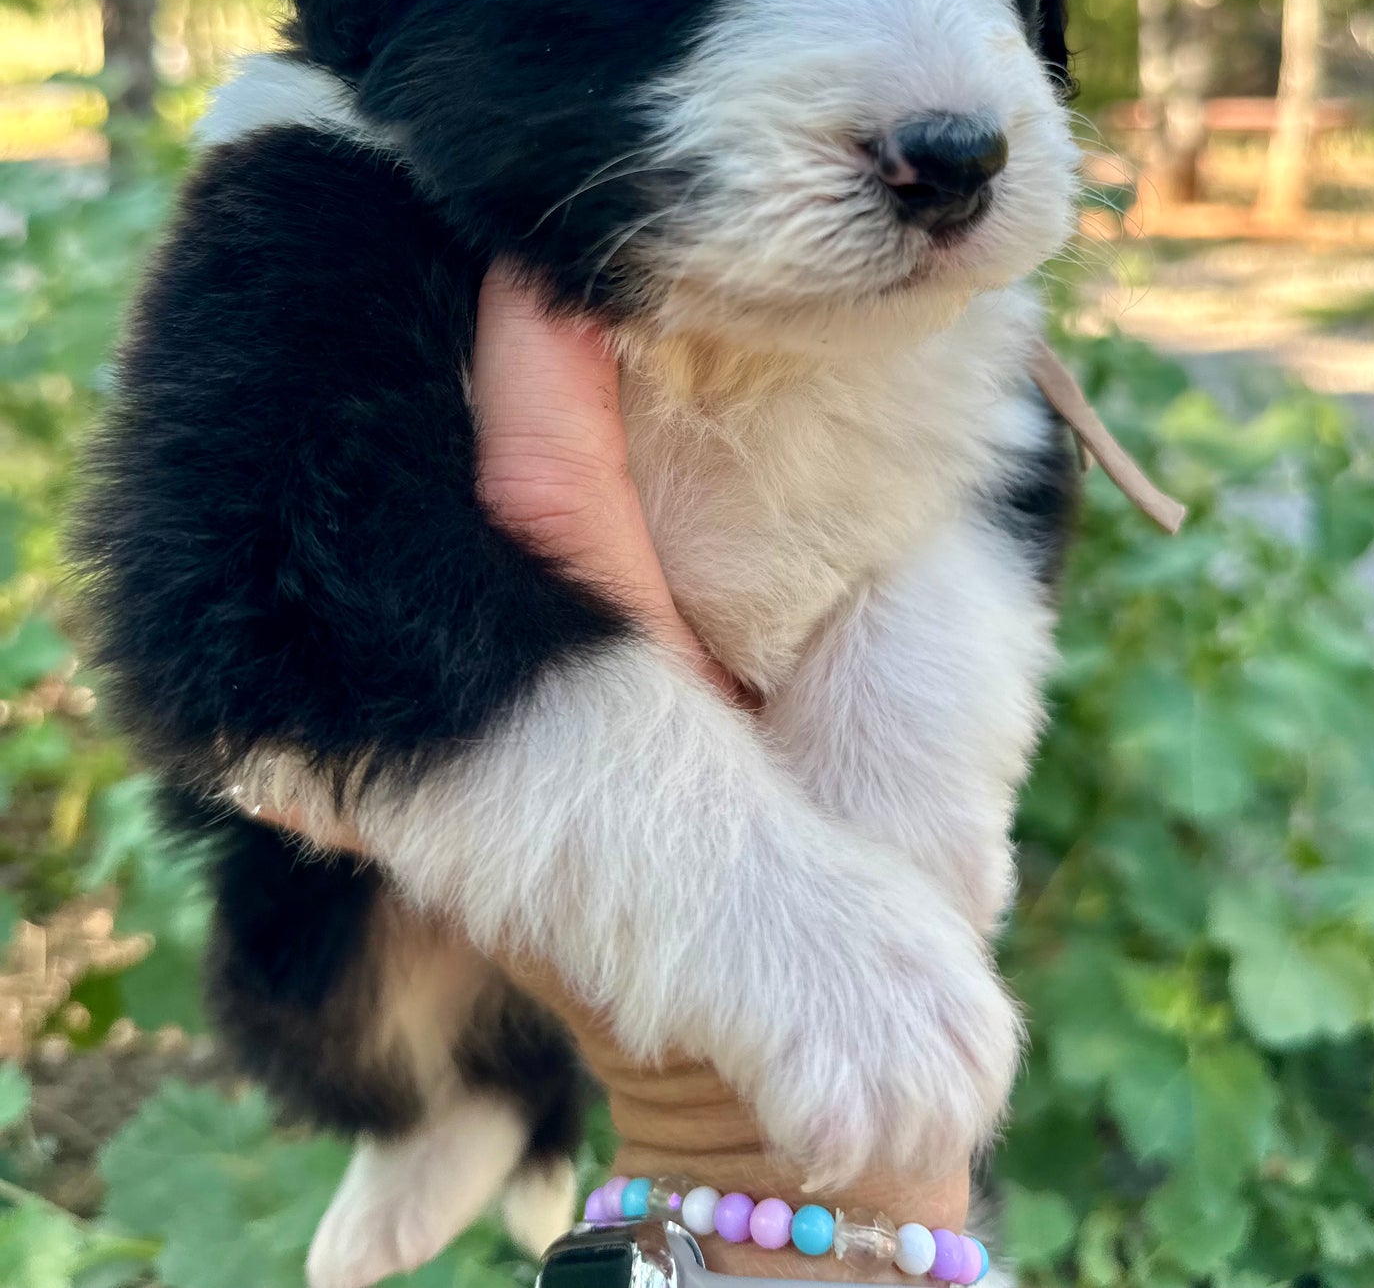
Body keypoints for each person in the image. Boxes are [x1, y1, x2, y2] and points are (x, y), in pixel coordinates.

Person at [259, 263, 974, 1280]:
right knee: (319, 943)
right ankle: (457, 1099)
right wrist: (734, 895)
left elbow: (982, 500)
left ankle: (502, 1099)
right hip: (431, 787)